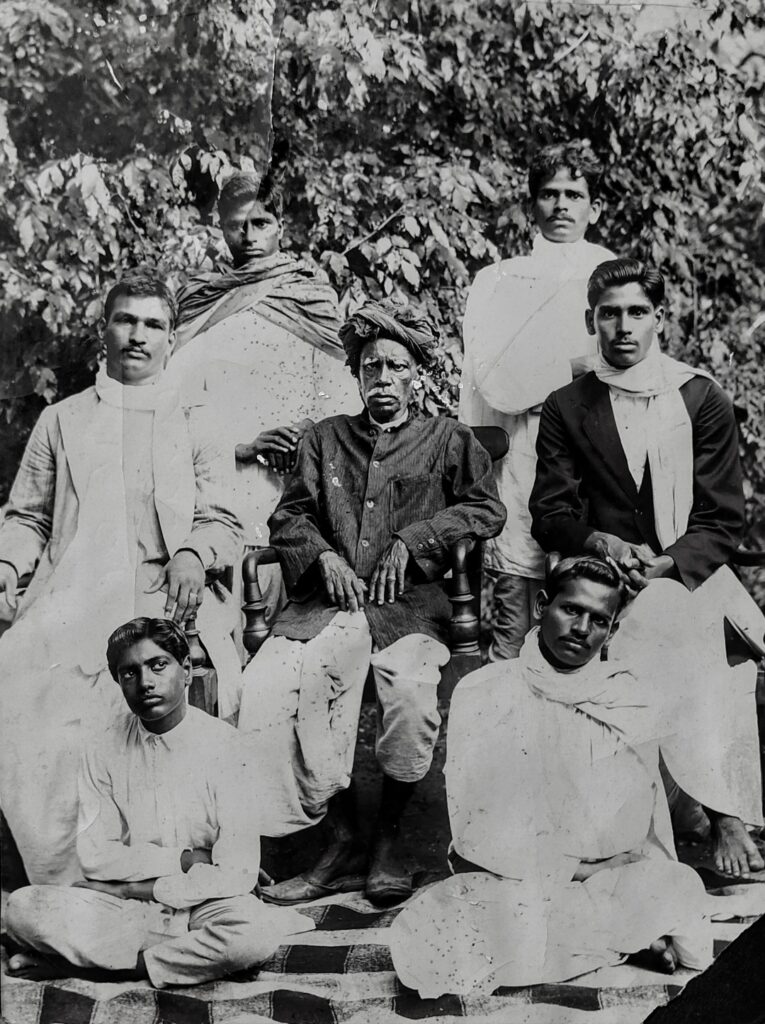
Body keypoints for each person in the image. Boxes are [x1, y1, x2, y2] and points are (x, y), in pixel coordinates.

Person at [389, 556, 762, 997]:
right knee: (436, 938)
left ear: (612, 631)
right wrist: (583, 869)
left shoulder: (625, 696)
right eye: (571, 610)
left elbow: (635, 824)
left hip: (610, 879)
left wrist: (612, 868)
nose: (582, 628)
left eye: (599, 620)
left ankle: (597, 942)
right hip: (518, 880)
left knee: (678, 888)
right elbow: (477, 832)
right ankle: (620, 943)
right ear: (541, 606)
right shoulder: (485, 691)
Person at [237, 301, 506, 907]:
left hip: (409, 611)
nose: (383, 379)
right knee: (267, 685)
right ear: (357, 375)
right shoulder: (325, 439)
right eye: (371, 368)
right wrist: (321, 558)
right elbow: (290, 516)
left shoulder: (448, 439)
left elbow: (487, 509)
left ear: (416, 375)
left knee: (409, 693)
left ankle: (387, 837)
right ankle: (342, 840)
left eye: (396, 367)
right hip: (326, 608)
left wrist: (415, 539)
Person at [0, 270, 243, 886]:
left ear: (171, 338)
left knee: (138, 686)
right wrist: (8, 561)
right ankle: (63, 878)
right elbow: (26, 516)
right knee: (20, 676)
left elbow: (223, 517)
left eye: (153, 324)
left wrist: (194, 552)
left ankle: (153, 872)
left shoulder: (197, 419)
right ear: (103, 329)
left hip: (169, 599)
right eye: (125, 320)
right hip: (74, 594)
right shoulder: (62, 420)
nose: (138, 335)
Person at [529, 256, 765, 877]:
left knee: (674, 618)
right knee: (656, 623)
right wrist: (603, 544)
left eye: (637, 312)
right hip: (597, 574)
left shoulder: (700, 397)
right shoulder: (567, 404)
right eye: (609, 314)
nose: (623, 327)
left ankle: (720, 812)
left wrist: (667, 565)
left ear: (660, 318)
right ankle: (664, 824)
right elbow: (550, 512)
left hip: (684, 571)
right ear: (591, 321)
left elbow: (722, 518)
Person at [5, 618, 313, 987]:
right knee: (22, 907)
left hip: (204, 903)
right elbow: (96, 856)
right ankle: (184, 958)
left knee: (253, 933)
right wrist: (185, 860)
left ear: (186, 670)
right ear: (118, 681)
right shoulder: (101, 749)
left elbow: (237, 874)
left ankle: (85, 967)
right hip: (129, 908)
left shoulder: (228, 747)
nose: (145, 682)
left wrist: (129, 887)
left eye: (158, 665)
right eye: (129, 672)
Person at [167, 171, 359, 621]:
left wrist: (308, 433)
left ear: (281, 226)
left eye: (261, 223)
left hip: (301, 491)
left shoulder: (310, 296)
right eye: (237, 225)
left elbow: (345, 402)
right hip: (221, 490)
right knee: (225, 622)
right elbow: (172, 408)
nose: (249, 236)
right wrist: (242, 446)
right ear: (221, 228)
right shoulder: (201, 300)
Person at [459, 140, 614, 660]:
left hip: (597, 462)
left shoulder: (613, 275)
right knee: (515, 623)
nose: (562, 205)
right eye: (550, 193)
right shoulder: (499, 280)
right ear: (532, 205)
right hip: (524, 457)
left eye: (575, 194)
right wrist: (570, 368)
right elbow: (490, 378)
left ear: (595, 207)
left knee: (591, 611)